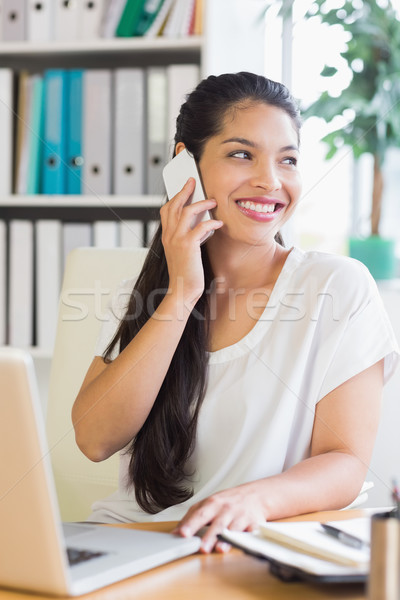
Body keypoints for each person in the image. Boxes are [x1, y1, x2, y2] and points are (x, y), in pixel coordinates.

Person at [72, 72, 399, 554]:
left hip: (243, 544)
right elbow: (95, 439)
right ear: (185, 166)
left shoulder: (336, 287)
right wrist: (181, 295)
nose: (271, 180)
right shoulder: (141, 295)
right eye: (242, 154)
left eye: (288, 160)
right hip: (128, 543)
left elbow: (346, 462)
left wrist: (252, 501)